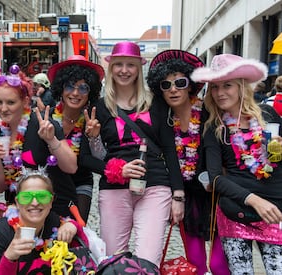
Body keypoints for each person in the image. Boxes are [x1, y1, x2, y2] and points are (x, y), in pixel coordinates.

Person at [80, 41, 184, 267]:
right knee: (114, 262)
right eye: (119, 64)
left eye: (131, 65)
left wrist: (178, 195)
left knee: (148, 260)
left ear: (139, 69)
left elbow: (169, 149)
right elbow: (85, 158)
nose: (124, 70)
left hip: (156, 186)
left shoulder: (157, 103)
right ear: (111, 67)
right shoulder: (97, 107)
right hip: (114, 188)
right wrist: (115, 168)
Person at [191, 53, 282, 274]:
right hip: (236, 213)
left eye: (227, 85)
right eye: (214, 87)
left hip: (275, 211)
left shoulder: (268, 115)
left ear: (242, 86)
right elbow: (214, 177)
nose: (220, 93)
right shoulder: (214, 127)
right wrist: (254, 201)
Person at [147, 49, 230, 275]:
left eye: (179, 82)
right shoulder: (160, 121)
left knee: (220, 265)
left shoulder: (208, 112)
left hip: (215, 196)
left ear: (190, 84)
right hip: (187, 198)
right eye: (166, 85)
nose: (173, 89)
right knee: (196, 264)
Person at [0, 65, 78, 217]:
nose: (3, 109)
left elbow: (71, 167)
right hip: (20, 210)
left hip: (55, 209)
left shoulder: (42, 125)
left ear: (25, 101)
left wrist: (51, 140)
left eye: (10, 102)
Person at [0, 172, 87, 274]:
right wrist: (9, 258)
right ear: (17, 202)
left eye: (42, 196)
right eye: (26, 197)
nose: (35, 203)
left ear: (51, 201)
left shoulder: (56, 224)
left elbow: (85, 259)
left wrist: (74, 226)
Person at [47, 55, 105, 222]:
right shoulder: (48, 118)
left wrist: (94, 137)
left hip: (80, 184)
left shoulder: (93, 120)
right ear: (61, 88)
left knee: (77, 231)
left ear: (90, 92)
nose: (75, 93)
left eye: (83, 88)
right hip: (51, 184)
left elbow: (100, 159)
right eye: (69, 86)